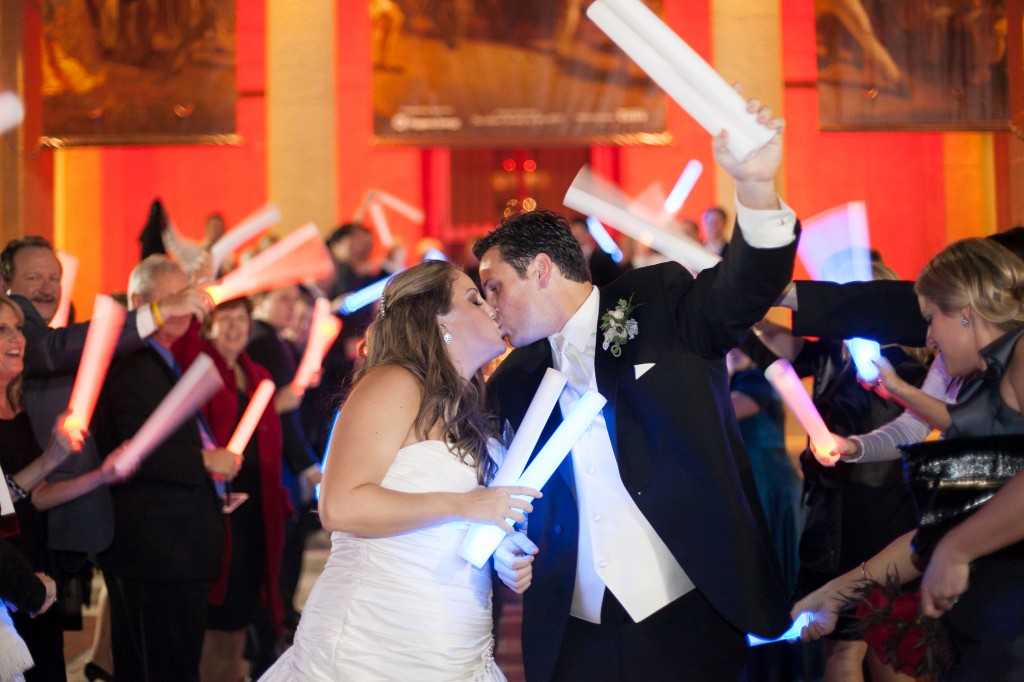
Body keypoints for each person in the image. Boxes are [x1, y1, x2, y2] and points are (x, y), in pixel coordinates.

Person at [475, 96, 795, 681]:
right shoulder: (512, 381)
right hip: (573, 630)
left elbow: (746, 289)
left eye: (494, 288)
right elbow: (501, 492)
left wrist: (755, 187)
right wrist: (504, 548)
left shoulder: (659, 302)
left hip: (691, 608)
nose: (489, 307)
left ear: (542, 270)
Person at [260, 260, 541, 680]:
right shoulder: (393, 383)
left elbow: (452, 519)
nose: (492, 307)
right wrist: (466, 505)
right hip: (373, 644)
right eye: (473, 299)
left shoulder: (471, 408)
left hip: (453, 645)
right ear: (436, 321)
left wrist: (500, 551)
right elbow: (339, 505)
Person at [794, 237, 1024, 680]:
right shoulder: (977, 386)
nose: (928, 336)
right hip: (982, 631)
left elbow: (953, 540)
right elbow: (934, 537)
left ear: (964, 311)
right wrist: (837, 593)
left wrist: (957, 549)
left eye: (929, 319)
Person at [92, 255, 234, 682]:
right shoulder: (131, 363)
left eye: (186, 298)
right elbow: (133, 452)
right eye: (171, 298)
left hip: (168, 549)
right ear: (138, 301)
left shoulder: (159, 358)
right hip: (158, 551)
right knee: (164, 668)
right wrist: (205, 461)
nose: (183, 308)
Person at [173, 298, 291, 681]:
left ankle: (231, 672)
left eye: (242, 319)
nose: (236, 327)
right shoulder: (198, 366)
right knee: (216, 611)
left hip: (255, 506)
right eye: (226, 318)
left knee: (245, 602)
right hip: (215, 508)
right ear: (210, 324)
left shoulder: (255, 373)